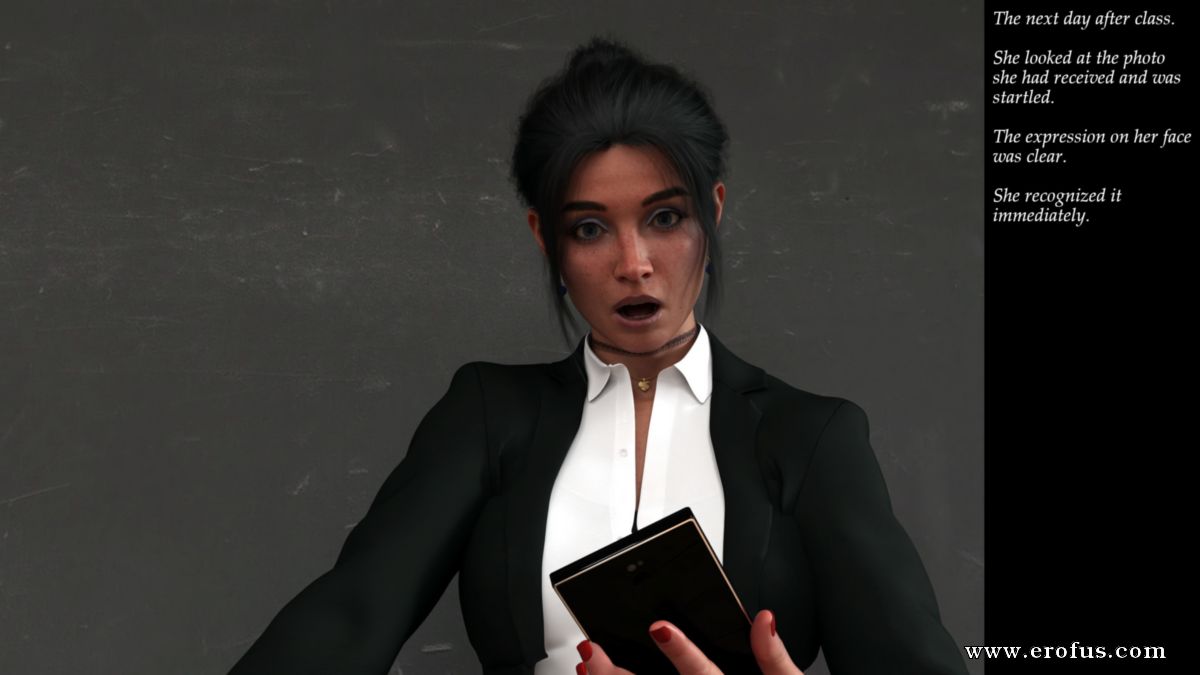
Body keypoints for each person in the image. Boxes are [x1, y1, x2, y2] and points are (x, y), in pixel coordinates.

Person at [230, 38, 969, 675]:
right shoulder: (488, 416)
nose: (633, 263)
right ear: (544, 238)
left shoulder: (810, 437)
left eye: (665, 217)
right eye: (589, 229)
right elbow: (347, 619)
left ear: (713, 212)